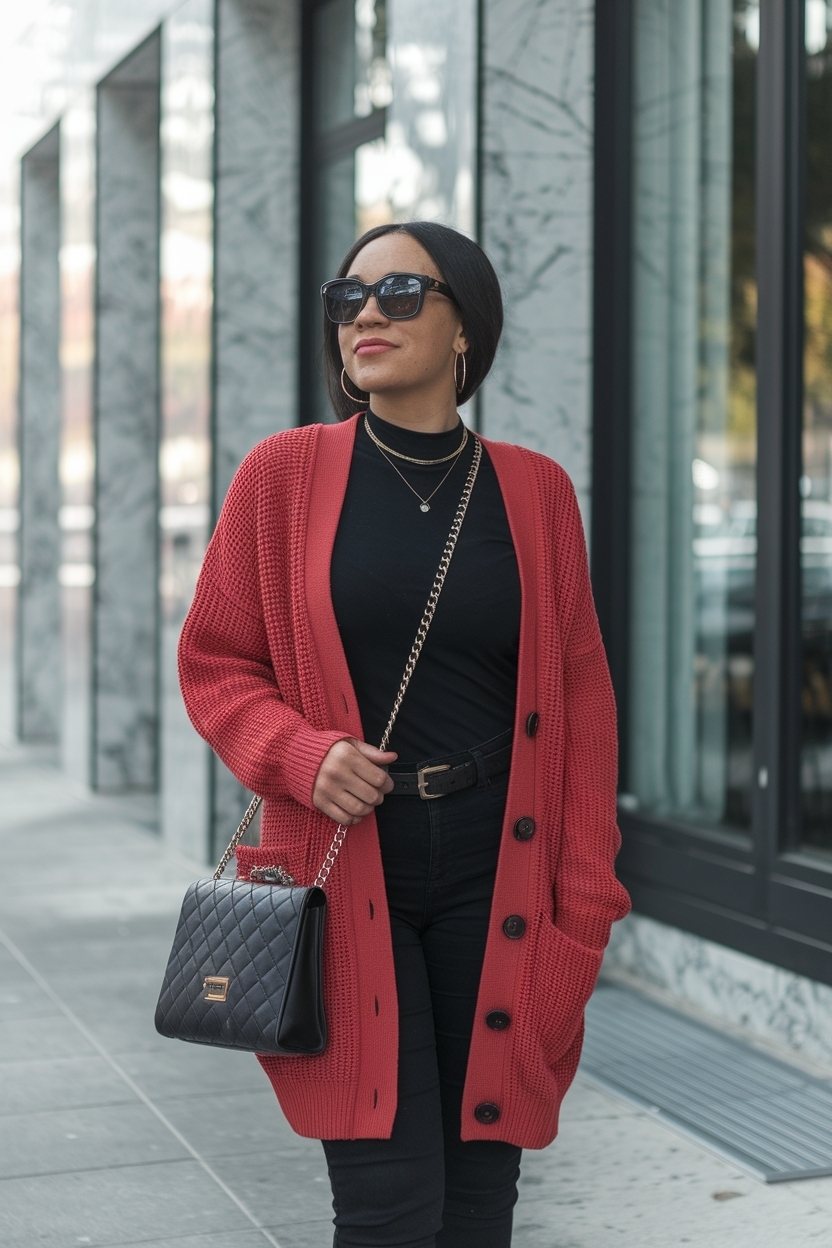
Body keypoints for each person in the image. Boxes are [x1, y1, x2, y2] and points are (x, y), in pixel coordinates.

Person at [178, 220, 631, 1248]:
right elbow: (215, 661)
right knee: (387, 1209)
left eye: (399, 294)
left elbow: (583, 708)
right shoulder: (282, 475)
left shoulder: (537, 492)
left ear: (465, 326)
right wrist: (300, 755)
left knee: (479, 1204)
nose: (366, 316)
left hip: (499, 869)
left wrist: (586, 905)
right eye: (348, 299)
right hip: (344, 867)